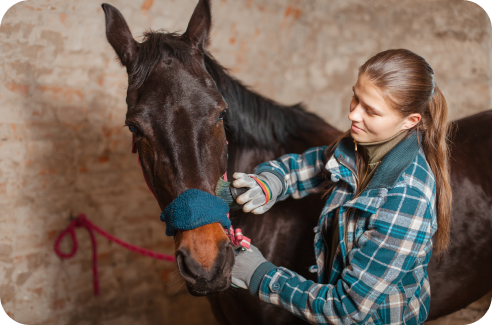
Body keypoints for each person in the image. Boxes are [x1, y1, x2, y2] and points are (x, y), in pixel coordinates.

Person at [230, 49, 452, 325]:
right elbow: (316, 164)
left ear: (410, 121)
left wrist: (261, 276)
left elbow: (347, 309)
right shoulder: (361, 143)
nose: (354, 115)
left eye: (370, 110)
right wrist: (271, 181)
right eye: (356, 97)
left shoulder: (407, 199)